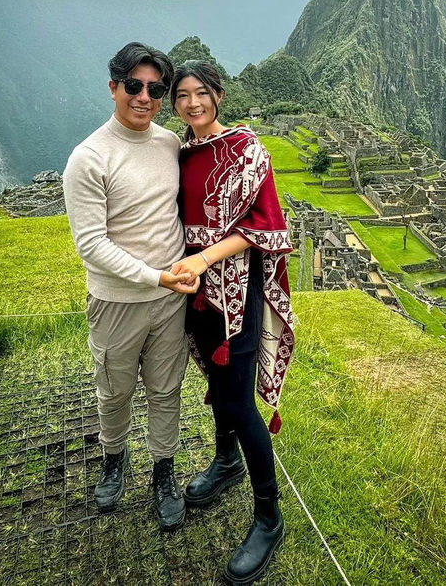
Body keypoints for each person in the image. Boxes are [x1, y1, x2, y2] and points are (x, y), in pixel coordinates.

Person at [62, 42, 198, 531]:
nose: (145, 97)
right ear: (114, 87)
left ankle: (163, 472)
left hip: (169, 300)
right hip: (118, 301)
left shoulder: (168, 144)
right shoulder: (89, 157)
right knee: (114, 392)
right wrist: (156, 275)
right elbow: (92, 245)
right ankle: (113, 460)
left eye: (156, 89)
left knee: (166, 391)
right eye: (135, 86)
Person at [169, 60, 295, 585]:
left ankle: (269, 517)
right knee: (218, 388)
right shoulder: (181, 154)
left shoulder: (247, 151)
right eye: (182, 95)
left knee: (239, 402)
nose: (193, 103)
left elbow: (263, 225)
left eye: (202, 93)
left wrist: (203, 259)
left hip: (235, 291)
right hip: (195, 293)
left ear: (219, 95)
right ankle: (226, 464)